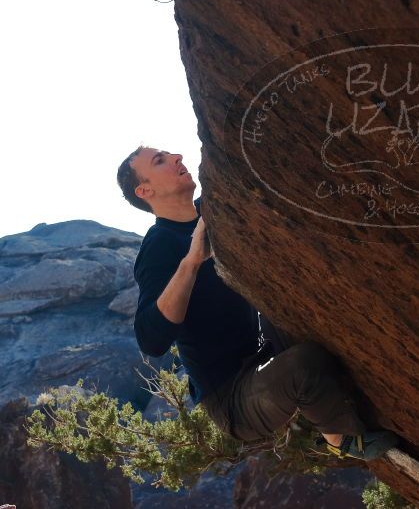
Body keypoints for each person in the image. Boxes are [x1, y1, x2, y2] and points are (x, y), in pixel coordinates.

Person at [116, 145, 399, 460]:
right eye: (160, 160)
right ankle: (341, 442)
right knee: (303, 365)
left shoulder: (215, 208)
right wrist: (192, 261)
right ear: (146, 190)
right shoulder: (159, 246)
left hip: (267, 349)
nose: (177, 157)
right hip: (233, 399)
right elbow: (151, 340)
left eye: (171, 154)